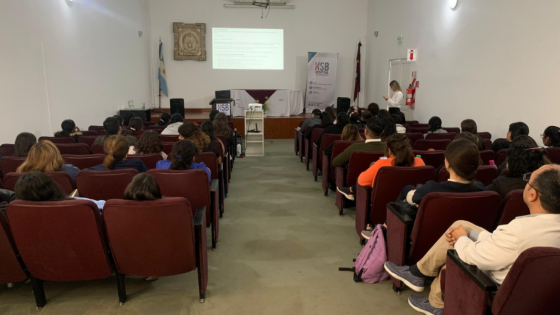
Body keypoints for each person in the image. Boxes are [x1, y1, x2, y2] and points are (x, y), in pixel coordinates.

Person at [384, 164, 560, 314]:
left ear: (532, 195)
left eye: (528, 179)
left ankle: (435, 304)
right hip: (537, 290)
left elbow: (474, 256)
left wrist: (461, 238)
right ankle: (417, 272)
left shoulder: (517, 232)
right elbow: (504, 246)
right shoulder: (542, 227)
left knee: (453, 257)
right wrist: (471, 233)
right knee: (462, 224)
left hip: (495, 290)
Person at [397, 139, 484, 207]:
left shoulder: (431, 190)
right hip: (467, 229)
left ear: (448, 163)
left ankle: (386, 226)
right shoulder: (481, 189)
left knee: (408, 189)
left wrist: (417, 195)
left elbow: (411, 198)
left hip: (432, 229)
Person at [337, 133, 425, 201]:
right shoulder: (419, 161)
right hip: (409, 203)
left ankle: (352, 190)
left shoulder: (382, 164)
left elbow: (361, 181)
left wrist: (373, 167)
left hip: (382, 206)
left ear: (389, 151)